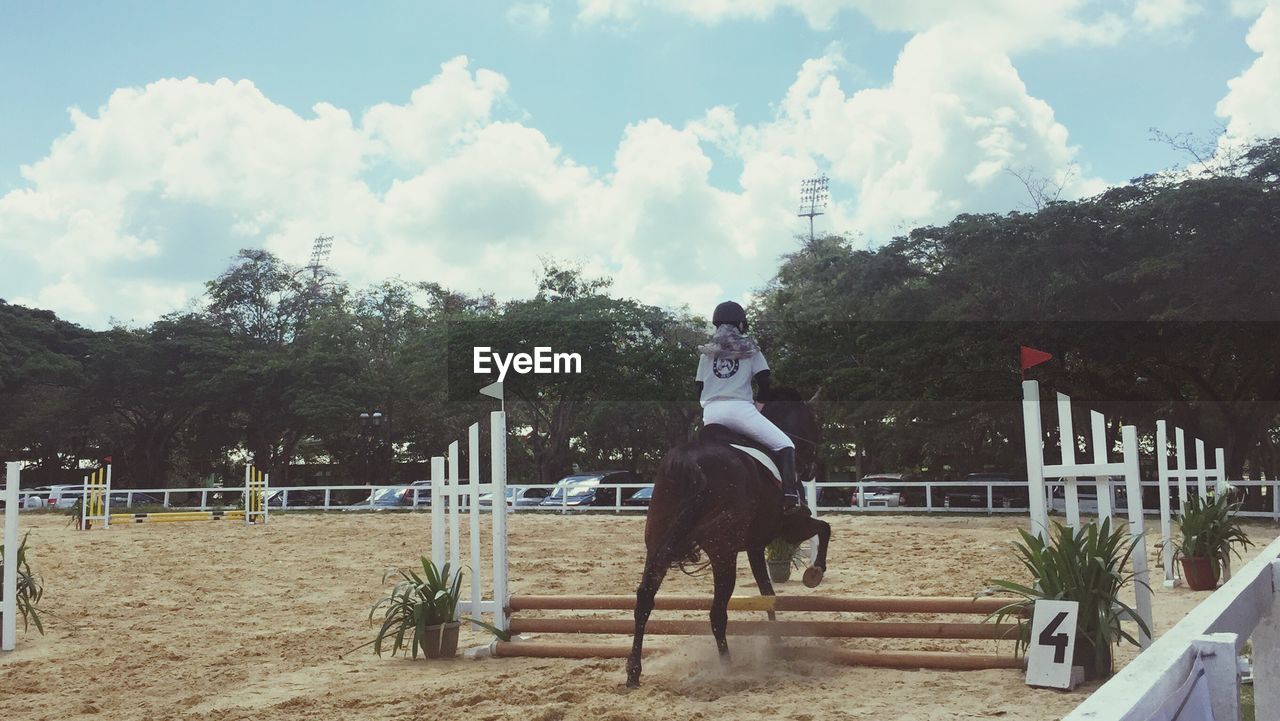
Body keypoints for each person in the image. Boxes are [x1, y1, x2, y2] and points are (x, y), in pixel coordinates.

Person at [695, 301, 805, 514]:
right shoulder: (751, 350)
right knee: (785, 444)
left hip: (711, 413)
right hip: (740, 410)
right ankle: (790, 495)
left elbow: (698, 388)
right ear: (740, 324)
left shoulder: (705, 355)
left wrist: (708, 406)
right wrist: (757, 407)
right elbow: (764, 383)